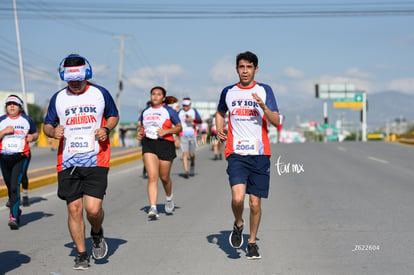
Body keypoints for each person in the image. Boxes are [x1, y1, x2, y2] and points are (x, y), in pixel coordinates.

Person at [43, 54, 119, 270]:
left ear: (86, 74)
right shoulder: (58, 98)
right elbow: (47, 124)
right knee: (74, 210)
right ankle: (82, 253)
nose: (75, 83)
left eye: (78, 78)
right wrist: (53, 131)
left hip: (97, 158)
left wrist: (106, 128)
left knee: (93, 210)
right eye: (70, 79)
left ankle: (96, 232)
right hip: (68, 161)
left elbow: (113, 116)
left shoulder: (100, 93)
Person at [215, 51, 280, 260]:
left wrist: (263, 106)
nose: (245, 71)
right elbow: (219, 113)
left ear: (256, 69)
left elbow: (276, 121)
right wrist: (219, 129)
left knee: (254, 204)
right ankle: (238, 223)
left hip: (260, 154)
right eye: (241, 67)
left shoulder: (265, 90)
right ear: (237, 69)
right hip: (236, 153)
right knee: (237, 198)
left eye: (249, 67)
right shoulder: (229, 91)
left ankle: (252, 242)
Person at [136, 87, 182, 219]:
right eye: (153, 94)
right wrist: (140, 132)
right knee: (152, 177)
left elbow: (179, 127)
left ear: (163, 98)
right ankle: (153, 207)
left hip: (165, 144)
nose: (155, 96)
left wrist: (166, 132)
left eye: (158, 94)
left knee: (164, 177)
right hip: (149, 144)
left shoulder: (168, 111)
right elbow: (140, 126)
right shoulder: (145, 111)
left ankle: (169, 197)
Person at [0, 95, 38, 229]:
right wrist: (4, 131)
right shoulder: (2, 121)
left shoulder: (26, 120)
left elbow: (35, 134)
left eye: (14, 104)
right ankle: (17, 209)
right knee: (10, 186)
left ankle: (13, 217)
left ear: (20, 107)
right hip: (4, 158)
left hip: (21, 157)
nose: (11, 106)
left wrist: (32, 137)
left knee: (15, 186)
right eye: (9, 104)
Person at [177, 98, 202, 178]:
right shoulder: (180, 112)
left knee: (191, 154)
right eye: (184, 106)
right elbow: (175, 122)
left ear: (190, 105)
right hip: (183, 134)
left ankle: (192, 162)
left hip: (192, 134)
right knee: (184, 153)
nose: (185, 107)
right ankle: (186, 171)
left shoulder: (193, 111)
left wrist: (193, 120)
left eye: (187, 106)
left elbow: (200, 121)